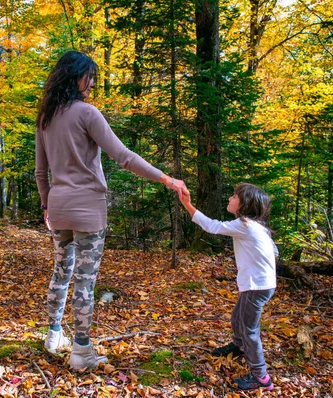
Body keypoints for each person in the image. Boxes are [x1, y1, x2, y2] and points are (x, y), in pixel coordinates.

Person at [35, 50, 188, 371]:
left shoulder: (46, 118)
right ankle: (80, 351)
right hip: (88, 210)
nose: (91, 83)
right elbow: (124, 157)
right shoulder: (87, 113)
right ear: (75, 76)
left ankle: (52, 335)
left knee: (61, 273)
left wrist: (47, 204)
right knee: (84, 282)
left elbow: (40, 172)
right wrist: (166, 178)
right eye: (88, 77)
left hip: (59, 208)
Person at [179, 183, 277, 391]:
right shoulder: (255, 226)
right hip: (257, 284)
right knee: (237, 318)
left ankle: (261, 377)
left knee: (249, 329)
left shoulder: (245, 225)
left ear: (245, 204)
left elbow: (212, 226)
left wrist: (187, 204)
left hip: (256, 286)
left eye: (234, 196)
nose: (230, 198)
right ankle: (240, 346)